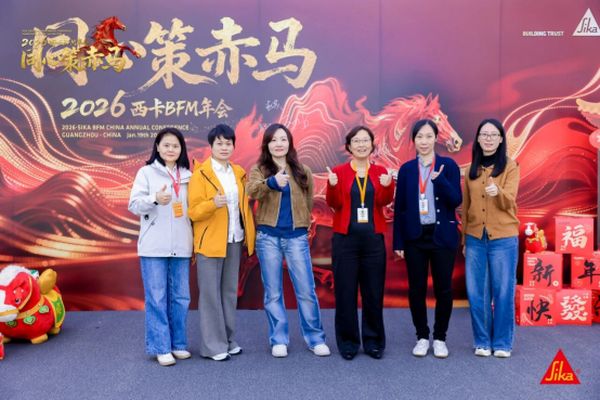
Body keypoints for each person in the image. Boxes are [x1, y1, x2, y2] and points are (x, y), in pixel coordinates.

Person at [247, 123, 330, 358]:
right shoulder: (260, 169)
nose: (279, 144)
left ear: (290, 143)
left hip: (296, 237)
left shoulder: (303, 170)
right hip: (268, 237)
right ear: (267, 145)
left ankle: (315, 338)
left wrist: (302, 225)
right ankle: (279, 339)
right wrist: (272, 182)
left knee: (306, 290)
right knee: (273, 292)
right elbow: (251, 191)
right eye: (273, 140)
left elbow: (308, 201)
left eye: (283, 139)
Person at [392, 119, 462, 358]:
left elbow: (456, 200)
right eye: (419, 137)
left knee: (444, 289)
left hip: (442, 236)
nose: (424, 141)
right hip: (415, 237)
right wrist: (399, 242)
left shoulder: (448, 165)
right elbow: (400, 208)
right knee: (416, 289)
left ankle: (440, 337)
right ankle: (422, 336)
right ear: (414, 140)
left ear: (436, 138)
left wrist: (439, 180)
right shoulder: (406, 170)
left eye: (428, 136)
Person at [188, 124, 256, 361]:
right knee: (210, 295)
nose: (224, 147)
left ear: (234, 146)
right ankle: (212, 346)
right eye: (219, 143)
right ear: (211, 146)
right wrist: (212, 204)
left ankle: (228, 340)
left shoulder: (238, 172)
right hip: (210, 242)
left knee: (228, 292)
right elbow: (193, 211)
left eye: (228, 143)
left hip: (234, 238)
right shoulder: (201, 174)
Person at [326, 126, 395, 360]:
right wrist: (332, 185)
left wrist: (388, 185)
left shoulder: (380, 171)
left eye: (366, 140)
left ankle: (373, 342)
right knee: (345, 293)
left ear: (372, 145)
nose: (361, 144)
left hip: (373, 242)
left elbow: (383, 202)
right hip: (345, 241)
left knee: (373, 294)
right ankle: (348, 342)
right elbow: (334, 204)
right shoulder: (339, 171)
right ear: (349, 146)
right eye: (356, 141)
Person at [128, 127, 193, 367]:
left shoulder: (188, 175)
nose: (171, 149)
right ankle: (161, 347)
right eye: (166, 145)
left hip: (182, 244)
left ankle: (178, 344)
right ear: (157, 147)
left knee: (181, 297)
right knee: (157, 297)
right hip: (154, 246)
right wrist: (154, 198)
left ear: (181, 149)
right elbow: (134, 205)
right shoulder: (146, 173)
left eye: (175, 145)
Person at [462, 118, 520, 358]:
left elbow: (511, 202)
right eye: (484, 134)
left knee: (503, 291)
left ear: (500, 139)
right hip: (475, 238)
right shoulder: (471, 169)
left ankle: (503, 343)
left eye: (493, 134)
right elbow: (466, 207)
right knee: (477, 293)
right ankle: (482, 342)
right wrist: (464, 241)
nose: (488, 138)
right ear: (477, 138)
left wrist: (499, 192)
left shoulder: (510, 166)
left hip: (503, 238)